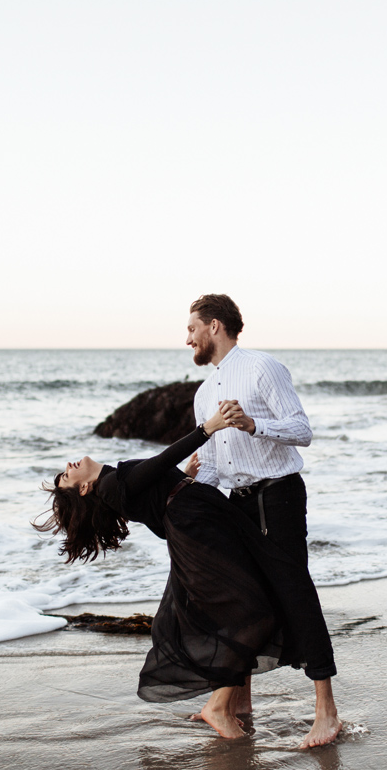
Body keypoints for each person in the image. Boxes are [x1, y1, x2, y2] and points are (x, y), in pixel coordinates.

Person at [38, 405, 306, 741]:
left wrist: (184, 479)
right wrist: (207, 429)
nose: (67, 467)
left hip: (195, 527)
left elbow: (161, 518)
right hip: (197, 531)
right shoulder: (108, 486)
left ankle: (229, 704)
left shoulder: (114, 484)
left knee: (245, 611)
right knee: (255, 613)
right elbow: (160, 462)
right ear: (82, 490)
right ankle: (218, 707)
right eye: (66, 476)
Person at [183, 293, 342, 749]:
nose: (187, 337)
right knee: (241, 600)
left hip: (279, 497)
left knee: (296, 596)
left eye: (191, 327)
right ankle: (237, 703)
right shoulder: (202, 394)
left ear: (214, 326)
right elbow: (213, 465)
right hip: (237, 503)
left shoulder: (261, 367)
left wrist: (254, 424)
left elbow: (301, 430)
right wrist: (186, 490)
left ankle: (326, 712)